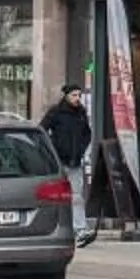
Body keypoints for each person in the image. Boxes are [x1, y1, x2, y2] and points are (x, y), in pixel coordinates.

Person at [41, 83, 97, 241]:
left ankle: (80, 229)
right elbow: (42, 130)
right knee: (57, 196)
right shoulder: (56, 112)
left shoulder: (81, 113)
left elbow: (87, 134)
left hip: (75, 162)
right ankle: (56, 228)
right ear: (66, 95)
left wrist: (80, 149)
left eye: (79, 95)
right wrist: (52, 149)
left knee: (77, 196)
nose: (77, 98)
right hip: (59, 161)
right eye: (74, 95)